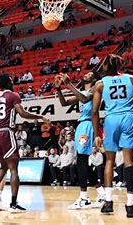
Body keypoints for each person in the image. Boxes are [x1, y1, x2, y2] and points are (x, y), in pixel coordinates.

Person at [92, 54, 133, 218]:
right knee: (129, 161)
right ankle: (130, 205)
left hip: (111, 120)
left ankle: (108, 203)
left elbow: (94, 111)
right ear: (119, 65)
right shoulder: (132, 79)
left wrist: (97, 134)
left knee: (109, 160)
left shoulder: (100, 84)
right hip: (128, 118)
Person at [0, 73, 50, 212]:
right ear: (8, 83)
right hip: (6, 132)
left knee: (3, 166)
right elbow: (23, 113)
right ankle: (14, 203)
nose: (13, 82)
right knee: (14, 168)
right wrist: (40, 117)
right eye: (11, 80)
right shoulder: (13, 95)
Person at [56, 71, 106, 209]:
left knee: (82, 160)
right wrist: (58, 89)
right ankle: (101, 193)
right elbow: (64, 103)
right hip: (82, 125)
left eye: (90, 74)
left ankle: (84, 198)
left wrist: (68, 84)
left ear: (94, 78)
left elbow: (84, 99)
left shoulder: (95, 88)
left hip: (88, 124)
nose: (86, 74)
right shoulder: (83, 92)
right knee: (82, 162)